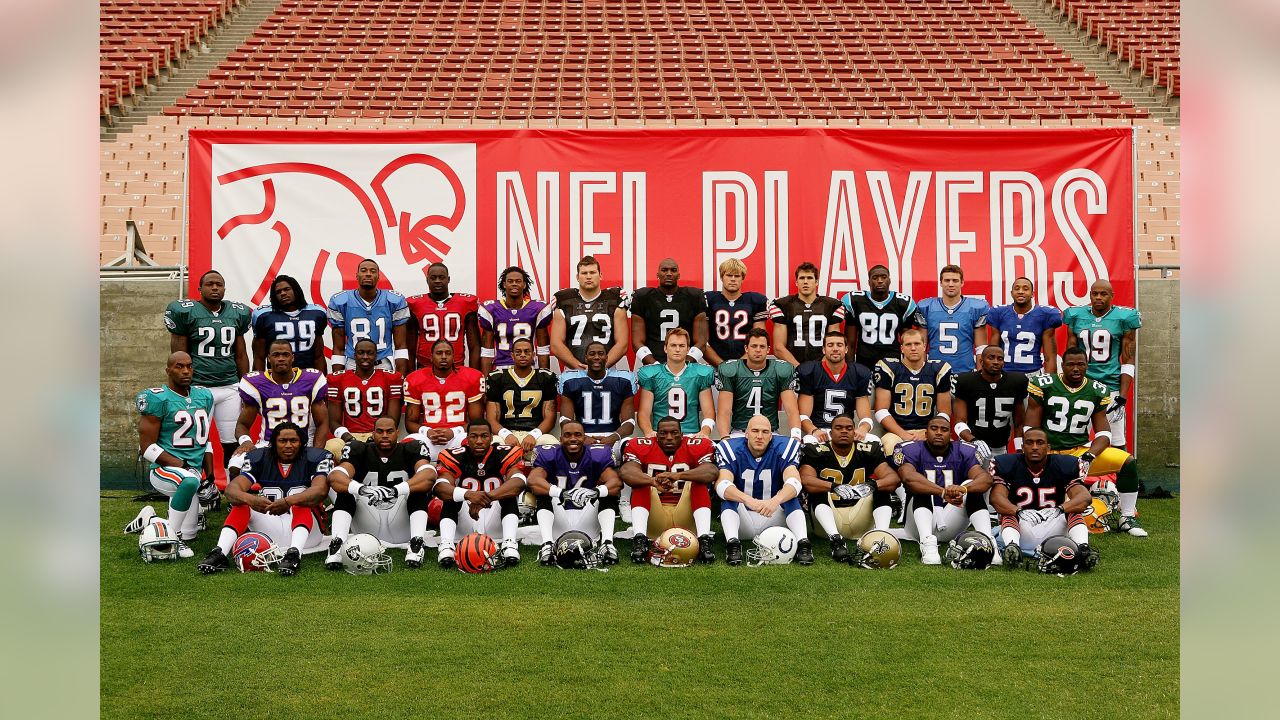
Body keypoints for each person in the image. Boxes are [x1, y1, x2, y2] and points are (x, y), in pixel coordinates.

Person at [1024, 347, 1147, 536]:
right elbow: (1030, 428)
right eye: (1070, 364)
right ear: (1062, 366)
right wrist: (1038, 452)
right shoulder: (1044, 384)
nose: (1075, 369)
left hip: (1079, 451)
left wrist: (1089, 456)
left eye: (1080, 364)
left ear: (1087, 366)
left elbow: (1104, 433)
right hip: (1048, 453)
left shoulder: (1096, 390)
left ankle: (1127, 516)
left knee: (1127, 462)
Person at [197, 422, 331, 576]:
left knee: (300, 502)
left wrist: (289, 501)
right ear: (273, 443)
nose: (288, 445)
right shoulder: (260, 458)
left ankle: (294, 555)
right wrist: (251, 499)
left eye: (293, 441)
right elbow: (231, 490)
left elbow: (320, 491)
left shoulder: (315, 458)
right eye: (282, 441)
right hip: (272, 525)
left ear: (302, 443)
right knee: (242, 504)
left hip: (307, 533)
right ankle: (219, 553)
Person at [323, 417, 450, 569]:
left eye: (389, 431)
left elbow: (429, 475)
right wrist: (362, 489)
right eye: (380, 431)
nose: (384, 435)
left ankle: (417, 543)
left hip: (400, 521)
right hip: (367, 518)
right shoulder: (359, 449)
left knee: (418, 490)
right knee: (346, 491)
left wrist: (396, 490)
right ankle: (337, 545)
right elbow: (335, 477)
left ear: (397, 433)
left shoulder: (411, 448)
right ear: (373, 433)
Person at [127, 352, 215, 557]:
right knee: (189, 482)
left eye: (189, 366)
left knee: (191, 533)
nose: (185, 371)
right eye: (179, 366)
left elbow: (205, 439)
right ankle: (172, 537)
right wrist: (182, 465)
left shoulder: (204, 396)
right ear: (168, 370)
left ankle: (150, 519)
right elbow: (147, 447)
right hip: (164, 470)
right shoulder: (157, 398)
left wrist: (209, 474)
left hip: (191, 473)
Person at [165, 269, 252, 464]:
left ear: (224, 288)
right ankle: (203, 484)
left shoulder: (237, 313)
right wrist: (182, 389)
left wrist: (246, 386)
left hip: (230, 387)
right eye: (209, 284)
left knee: (231, 441)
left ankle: (233, 485)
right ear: (199, 288)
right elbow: (179, 357)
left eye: (218, 284)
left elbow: (240, 355)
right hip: (198, 386)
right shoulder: (186, 311)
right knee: (198, 440)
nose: (214, 287)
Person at [889, 415, 995, 565]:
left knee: (972, 486)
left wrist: (963, 488)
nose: (939, 432)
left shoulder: (965, 450)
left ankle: (987, 541)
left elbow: (985, 479)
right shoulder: (910, 449)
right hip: (918, 524)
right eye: (934, 428)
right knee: (921, 485)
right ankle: (927, 543)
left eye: (944, 429)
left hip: (951, 519)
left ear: (950, 435)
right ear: (925, 434)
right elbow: (908, 477)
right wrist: (943, 492)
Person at [989, 428, 1098, 570]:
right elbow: (996, 498)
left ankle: (1083, 549)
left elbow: (1084, 497)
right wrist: (1018, 511)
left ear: (1048, 447)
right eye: (1029, 443)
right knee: (1007, 513)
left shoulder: (1064, 464)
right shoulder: (1008, 464)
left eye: (1040, 443)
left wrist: (1060, 509)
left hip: (1053, 524)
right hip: (1022, 527)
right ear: (1022, 447)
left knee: (1074, 510)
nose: (1034, 447)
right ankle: (1013, 547)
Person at [799, 414, 901, 562]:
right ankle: (836, 541)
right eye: (838, 428)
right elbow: (805, 480)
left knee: (882, 489)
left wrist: (872, 484)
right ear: (830, 433)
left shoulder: (868, 449)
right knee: (818, 490)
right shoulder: (816, 450)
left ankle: (881, 537)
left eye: (849, 428)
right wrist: (833, 487)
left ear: (854, 432)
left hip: (860, 516)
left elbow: (893, 479)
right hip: (828, 518)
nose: (844, 431)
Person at [713, 415, 811, 566]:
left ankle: (803, 544)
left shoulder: (783, 447)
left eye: (765, 432)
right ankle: (733, 544)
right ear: (746, 434)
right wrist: (748, 500)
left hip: (772, 515)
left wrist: (775, 500)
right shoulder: (731, 448)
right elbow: (722, 485)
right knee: (729, 497)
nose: (760, 436)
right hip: (742, 518)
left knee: (790, 496)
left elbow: (794, 481)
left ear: (771, 436)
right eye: (755, 431)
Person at [618, 416, 719, 563]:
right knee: (641, 483)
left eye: (674, 433)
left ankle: (704, 541)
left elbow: (711, 472)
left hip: (686, 515)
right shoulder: (641, 445)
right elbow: (626, 472)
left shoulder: (696, 445)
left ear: (682, 435)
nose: (669, 437)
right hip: (654, 515)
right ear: (656, 435)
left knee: (698, 482)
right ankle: (640, 539)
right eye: (663, 433)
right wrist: (652, 481)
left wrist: (679, 475)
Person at [525, 421, 623, 565]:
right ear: (560, 439)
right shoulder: (549, 454)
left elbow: (616, 483)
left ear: (585, 438)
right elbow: (533, 481)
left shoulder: (597, 454)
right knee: (544, 493)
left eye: (578, 435)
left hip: (587, 517)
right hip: (559, 517)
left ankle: (607, 544)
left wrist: (595, 492)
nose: (572, 439)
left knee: (606, 493)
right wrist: (560, 493)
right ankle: (547, 545)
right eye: (567, 435)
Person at [435, 420, 528, 568]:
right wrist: (468, 495)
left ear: (491, 437)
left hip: (495, 518)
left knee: (507, 493)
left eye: (484, 436)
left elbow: (519, 482)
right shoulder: (454, 455)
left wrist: (485, 497)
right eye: (474, 436)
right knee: (452, 496)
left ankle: (509, 543)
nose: (479, 441)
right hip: (466, 518)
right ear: (467, 438)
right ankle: (446, 545)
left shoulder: (505, 453)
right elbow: (440, 487)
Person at [1062, 279, 1141, 449]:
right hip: (1083, 386)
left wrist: (1123, 394)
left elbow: (1128, 358)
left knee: (1117, 441)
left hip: (1110, 386)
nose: (1098, 297)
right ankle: (1078, 475)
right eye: (1094, 293)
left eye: (1103, 294)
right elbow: (1070, 356)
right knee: (1074, 439)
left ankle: (1120, 476)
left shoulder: (1124, 318)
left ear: (1112, 296)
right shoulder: (1076, 315)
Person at [232, 340, 329, 457]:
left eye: (285, 355)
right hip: (267, 445)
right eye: (276, 355)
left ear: (292, 358)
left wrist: (315, 452)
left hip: (303, 445)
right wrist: (246, 442)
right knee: (235, 466)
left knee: (322, 468)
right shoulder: (256, 383)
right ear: (269, 358)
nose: (281, 358)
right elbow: (242, 424)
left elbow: (322, 422)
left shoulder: (311, 380)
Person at [873, 327, 952, 452]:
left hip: (928, 430)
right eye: (908, 344)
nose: (913, 348)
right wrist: (903, 434)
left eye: (917, 344)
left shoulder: (939, 369)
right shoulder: (889, 368)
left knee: (951, 449)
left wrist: (928, 432)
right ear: (902, 348)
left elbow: (944, 412)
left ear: (924, 346)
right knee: (889, 445)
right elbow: (881, 410)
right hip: (897, 431)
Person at [404, 339, 486, 459]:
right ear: (431, 357)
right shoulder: (415, 379)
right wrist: (427, 432)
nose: (443, 357)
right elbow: (409, 422)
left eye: (448, 353)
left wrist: (453, 432)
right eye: (439, 353)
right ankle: (423, 473)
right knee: (407, 444)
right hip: (429, 437)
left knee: (476, 443)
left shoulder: (471, 377)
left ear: (454, 357)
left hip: (459, 436)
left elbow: (477, 422)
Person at [327, 258, 411, 374]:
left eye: (372, 271)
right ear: (357, 275)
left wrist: (401, 375)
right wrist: (337, 377)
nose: (368, 274)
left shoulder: (394, 300)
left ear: (378, 276)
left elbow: (400, 345)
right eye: (364, 270)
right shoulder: (340, 301)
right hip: (353, 362)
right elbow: (338, 347)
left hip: (383, 362)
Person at [325, 337, 403, 459]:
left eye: (370, 353)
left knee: (396, 450)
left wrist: (377, 436)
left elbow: (392, 419)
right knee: (332, 447)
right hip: (349, 434)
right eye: (361, 353)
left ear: (376, 355)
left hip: (380, 435)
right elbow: (333, 421)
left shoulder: (391, 378)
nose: (365, 357)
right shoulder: (337, 379)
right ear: (354, 355)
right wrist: (347, 437)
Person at [548, 256, 630, 370]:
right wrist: (578, 366)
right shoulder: (564, 300)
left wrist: (601, 368)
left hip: (607, 370)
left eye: (592, 272)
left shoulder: (615, 299)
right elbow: (556, 344)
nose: (588, 276)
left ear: (600, 275)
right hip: (574, 370)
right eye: (584, 273)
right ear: (577, 277)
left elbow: (622, 343)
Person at [950, 345, 1027, 465]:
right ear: (981, 361)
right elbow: (959, 421)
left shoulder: (1016, 382)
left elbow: (1019, 423)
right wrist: (974, 441)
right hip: (972, 445)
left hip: (1000, 447)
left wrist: (1018, 448)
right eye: (991, 358)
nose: (995, 362)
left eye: (999, 358)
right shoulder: (965, 381)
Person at [715, 328, 799, 437]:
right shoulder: (731, 370)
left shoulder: (781, 370)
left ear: (768, 349)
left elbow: (791, 411)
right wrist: (724, 437)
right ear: (746, 348)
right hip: (740, 432)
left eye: (762, 346)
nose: (758, 350)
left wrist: (796, 436)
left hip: (770, 432)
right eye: (754, 346)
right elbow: (724, 412)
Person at [794, 330, 875, 443]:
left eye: (840, 345)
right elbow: (803, 416)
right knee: (809, 442)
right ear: (823, 349)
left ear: (846, 349)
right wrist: (813, 430)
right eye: (830, 345)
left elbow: (866, 417)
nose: (835, 348)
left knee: (874, 441)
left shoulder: (859, 373)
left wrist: (862, 429)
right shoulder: (810, 371)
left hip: (847, 431)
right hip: (820, 431)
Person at [840, 264, 924, 372]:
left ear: (889, 280)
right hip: (864, 361)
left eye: (883, 277)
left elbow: (907, 341)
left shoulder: (903, 303)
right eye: (875, 278)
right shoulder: (855, 301)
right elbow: (850, 343)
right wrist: (850, 370)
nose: (880, 281)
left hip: (893, 362)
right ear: (869, 282)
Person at [628, 258, 709, 365]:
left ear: (679, 275)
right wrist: (654, 365)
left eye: (673, 270)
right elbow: (637, 342)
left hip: (687, 363)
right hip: (654, 360)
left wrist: (685, 365)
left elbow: (701, 341)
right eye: (664, 270)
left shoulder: (694, 296)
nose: (669, 274)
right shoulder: (643, 297)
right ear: (658, 274)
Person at [486, 338, 559, 456]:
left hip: (536, 433)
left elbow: (550, 418)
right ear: (512, 355)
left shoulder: (545, 378)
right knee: (491, 445)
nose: (523, 355)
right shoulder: (497, 378)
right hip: (506, 433)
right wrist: (506, 434)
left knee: (552, 445)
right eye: (518, 352)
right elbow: (491, 419)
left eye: (527, 351)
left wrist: (534, 435)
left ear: (533, 355)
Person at [636, 328, 715, 437]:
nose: (677, 349)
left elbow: (709, 412)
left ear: (688, 349)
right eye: (673, 345)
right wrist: (649, 432)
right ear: (665, 348)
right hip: (661, 436)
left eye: (682, 346)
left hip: (691, 435)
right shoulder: (652, 374)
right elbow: (644, 413)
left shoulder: (700, 374)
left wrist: (704, 432)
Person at [557, 341, 637, 448]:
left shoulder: (623, 380)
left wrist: (613, 437)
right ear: (586, 358)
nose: (596, 357)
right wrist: (583, 437)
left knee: (630, 445)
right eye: (592, 354)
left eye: (600, 354)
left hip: (614, 435)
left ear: (606, 358)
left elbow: (629, 422)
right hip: (581, 436)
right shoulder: (570, 381)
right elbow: (565, 419)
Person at [768, 262, 846, 366]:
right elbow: (778, 347)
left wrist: (819, 368)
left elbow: (834, 342)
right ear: (796, 282)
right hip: (792, 367)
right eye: (802, 278)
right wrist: (798, 368)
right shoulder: (783, 305)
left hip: (823, 367)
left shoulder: (832, 305)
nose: (805, 282)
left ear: (816, 282)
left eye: (809, 278)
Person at [405, 262, 480, 370]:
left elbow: (474, 346)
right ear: (427, 280)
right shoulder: (415, 304)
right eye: (433, 278)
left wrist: (475, 374)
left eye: (441, 277)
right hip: (425, 367)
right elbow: (410, 348)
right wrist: (410, 374)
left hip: (456, 366)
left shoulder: (465, 303)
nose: (437, 281)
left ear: (448, 279)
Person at [478, 266, 553, 373]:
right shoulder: (491, 309)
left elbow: (543, 349)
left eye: (518, 281)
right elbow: (487, 351)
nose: (514, 284)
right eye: (510, 281)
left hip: (529, 368)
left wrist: (544, 375)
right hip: (500, 367)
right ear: (504, 284)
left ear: (524, 284)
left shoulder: (537, 309)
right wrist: (486, 380)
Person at [917, 264, 989, 374]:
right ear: (941, 283)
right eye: (947, 280)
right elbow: (921, 346)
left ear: (962, 283)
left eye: (955, 280)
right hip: (934, 371)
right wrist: (921, 373)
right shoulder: (927, 307)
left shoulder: (976, 308)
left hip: (965, 371)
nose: (951, 284)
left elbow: (981, 348)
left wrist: (981, 376)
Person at [250, 274, 328, 372]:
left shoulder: (316, 313)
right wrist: (259, 382)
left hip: (308, 376)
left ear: (296, 290)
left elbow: (319, 356)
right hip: (277, 376)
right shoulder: (264, 316)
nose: (282, 293)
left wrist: (322, 379)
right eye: (278, 292)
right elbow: (259, 357)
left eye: (287, 289)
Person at [985, 276, 1062, 375]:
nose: (1021, 291)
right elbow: (992, 352)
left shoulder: (1045, 315)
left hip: (1032, 374)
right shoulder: (999, 313)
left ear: (1032, 294)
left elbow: (1050, 357)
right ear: (1011, 293)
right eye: (1017, 288)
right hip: (1004, 374)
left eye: (1025, 289)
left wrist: (1050, 382)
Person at [703, 258, 769, 366]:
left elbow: (759, 340)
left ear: (742, 279)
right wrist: (722, 366)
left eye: (737, 276)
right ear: (721, 277)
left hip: (746, 365)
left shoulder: (755, 301)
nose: (733, 279)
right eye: (729, 275)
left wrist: (739, 366)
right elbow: (702, 342)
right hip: (716, 364)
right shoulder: (709, 300)